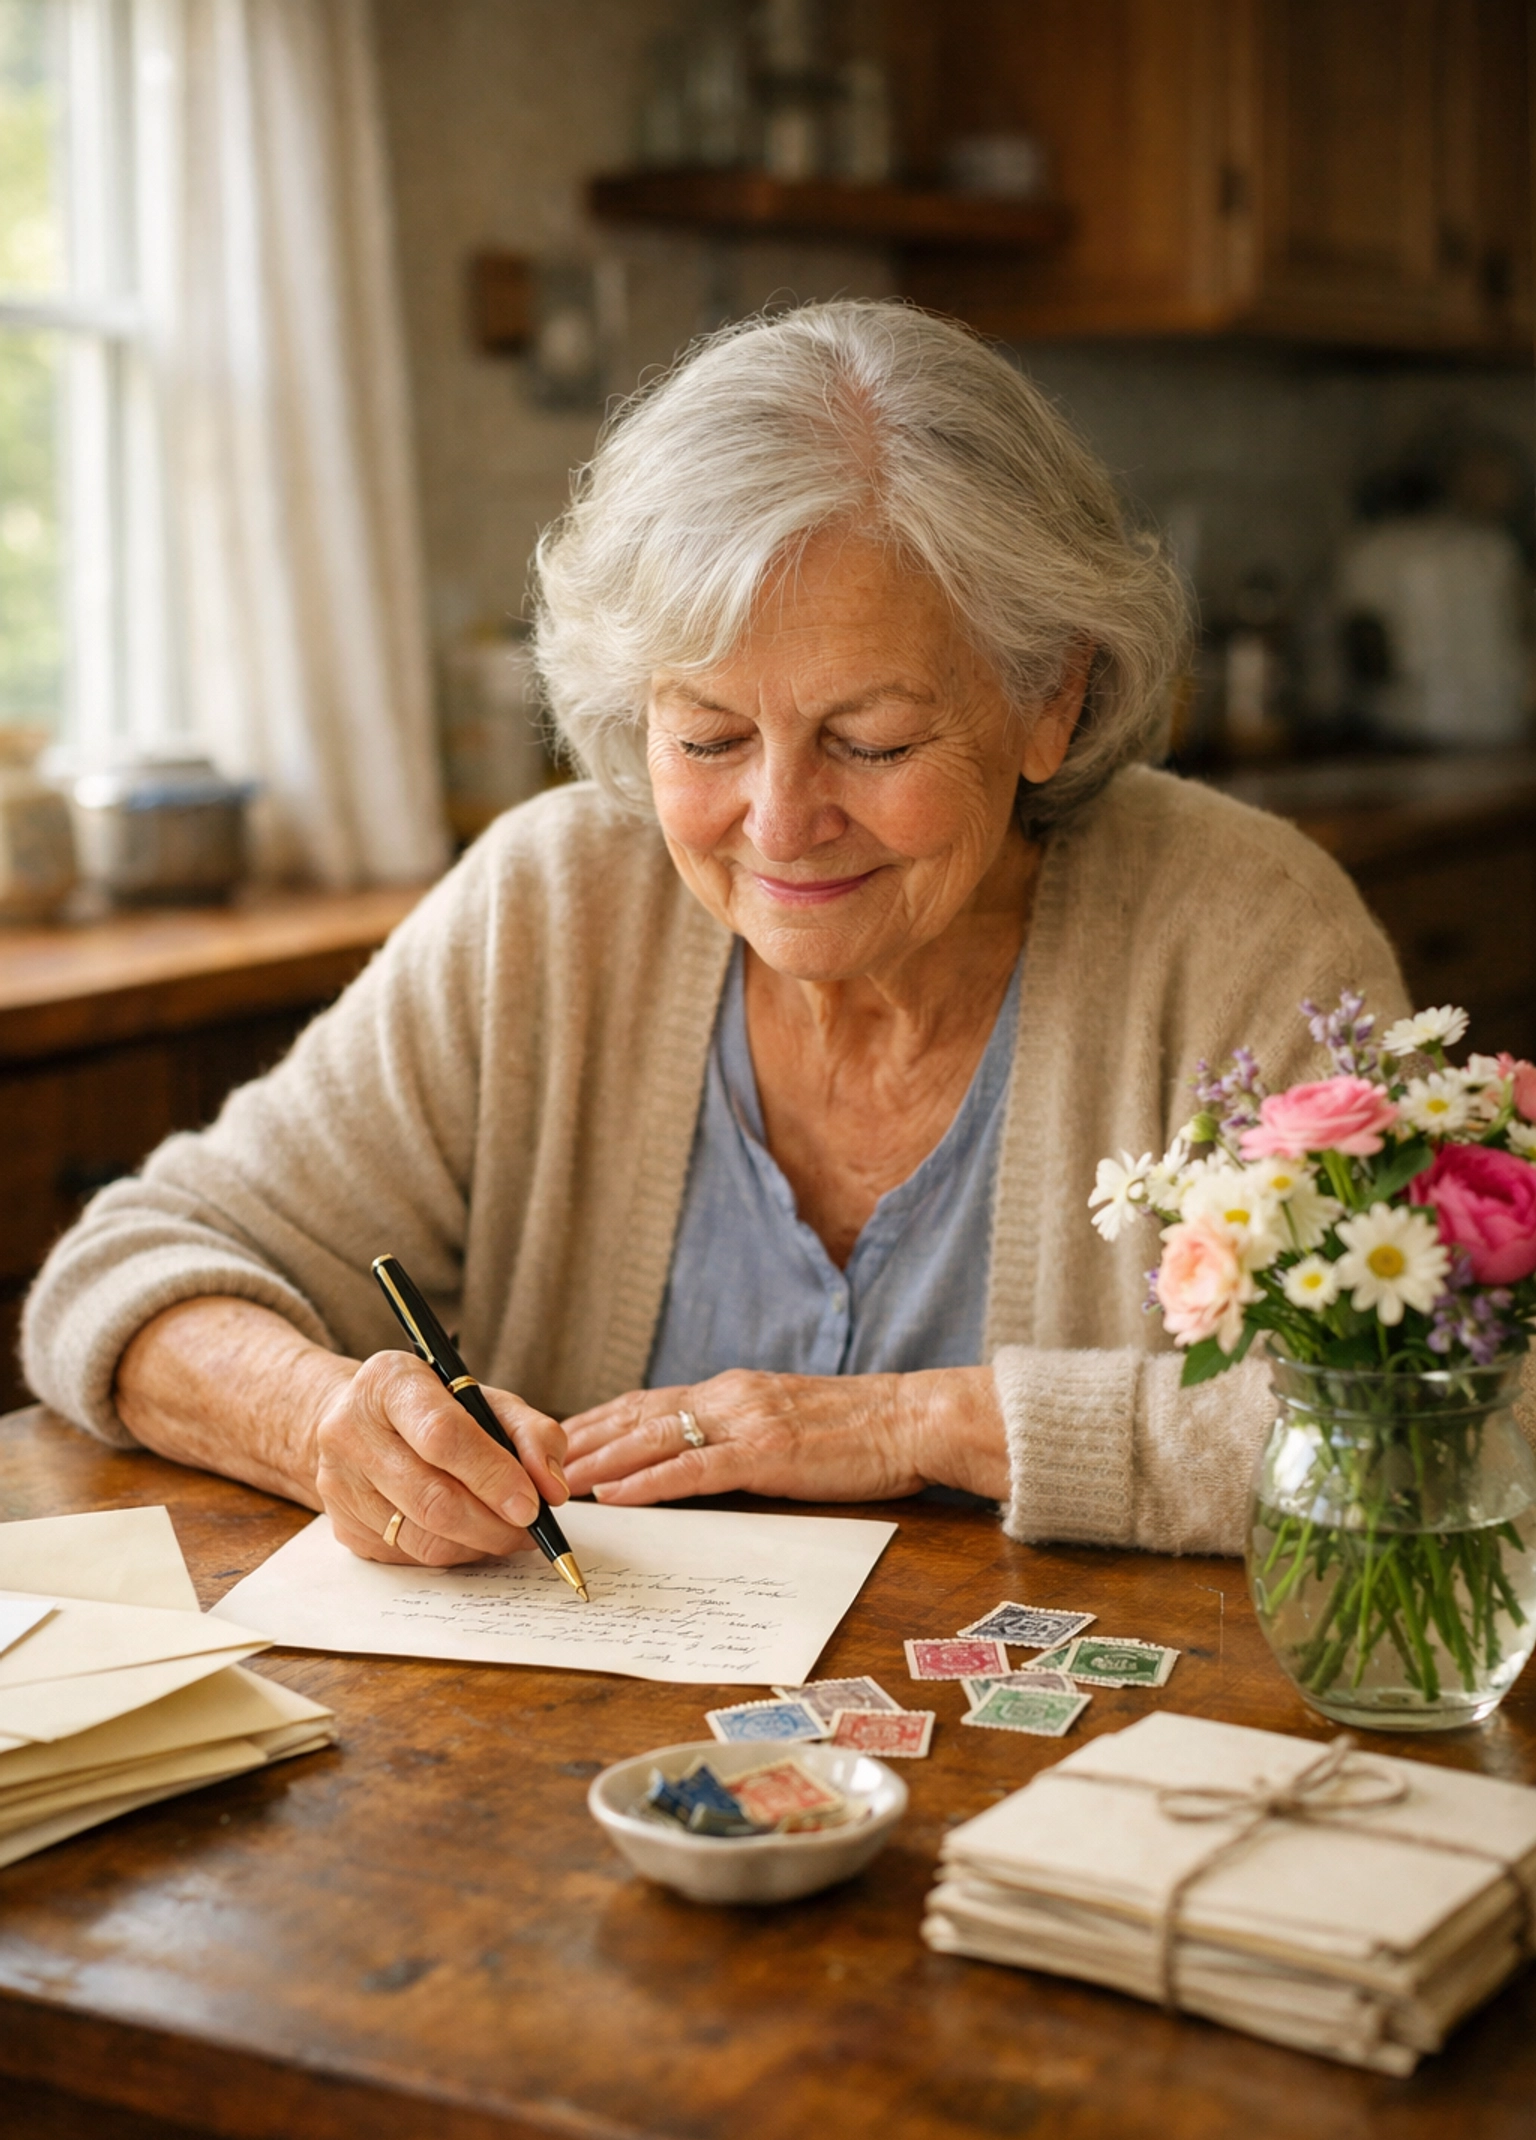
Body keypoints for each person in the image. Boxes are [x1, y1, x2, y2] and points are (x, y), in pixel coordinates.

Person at [25, 300, 1406, 1571]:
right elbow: (122, 1272)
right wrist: (319, 1417)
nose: (781, 820)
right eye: (709, 736)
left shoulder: (1237, 928)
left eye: (872, 739)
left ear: (1052, 698)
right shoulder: (556, 907)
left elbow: (1429, 1423)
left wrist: (925, 1424)